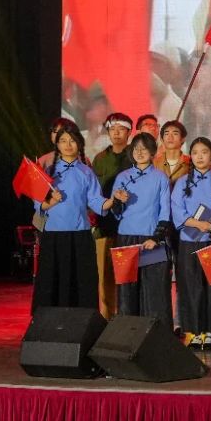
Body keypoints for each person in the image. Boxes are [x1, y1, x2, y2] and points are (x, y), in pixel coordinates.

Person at [33, 125, 117, 309]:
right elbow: (39, 205)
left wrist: (111, 201)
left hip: (80, 234)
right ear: (57, 145)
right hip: (54, 235)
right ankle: (49, 318)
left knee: (81, 280)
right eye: (63, 141)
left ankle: (80, 319)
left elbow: (96, 201)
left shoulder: (86, 171)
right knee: (53, 280)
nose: (68, 145)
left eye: (72, 140)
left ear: (79, 143)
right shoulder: (48, 172)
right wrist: (51, 201)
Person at [109, 133, 174, 328]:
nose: (139, 152)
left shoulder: (160, 177)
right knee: (127, 291)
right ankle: (127, 333)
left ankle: (157, 334)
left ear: (153, 152)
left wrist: (157, 237)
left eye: (144, 148)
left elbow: (165, 210)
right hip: (126, 239)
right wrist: (118, 201)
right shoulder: (122, 177)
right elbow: (115, 213)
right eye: (136, 148)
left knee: (155, 291)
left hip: (151, 239)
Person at [172, 137, 211, 350]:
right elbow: (177, 210)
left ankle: (210, 332)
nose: (200, 156)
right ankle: (194, 332)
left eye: (204, 152)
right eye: (195, 153)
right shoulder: (182, 182)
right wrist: (198, 224)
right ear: (190, 157)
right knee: (191, 287)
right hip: (189, 241)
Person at [90, 112, 133, 319]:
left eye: (121, 129)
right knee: (104, 277)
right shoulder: (99, 159)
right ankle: (106, 319)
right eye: (112, 129)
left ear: (129, 132)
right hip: (104, 226)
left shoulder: (135, 157)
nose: (116, 133)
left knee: (127, 275)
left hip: (130, 226)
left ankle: (126, 319)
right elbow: (93, 192)